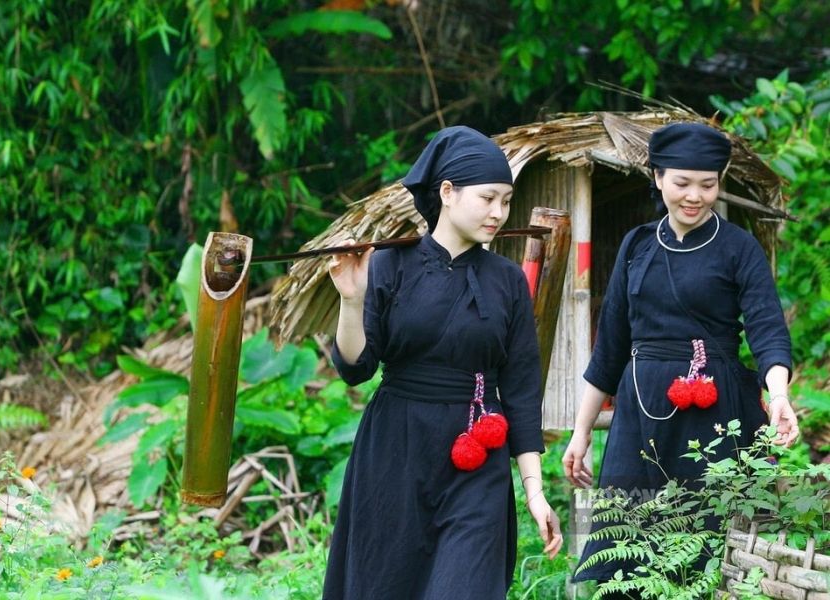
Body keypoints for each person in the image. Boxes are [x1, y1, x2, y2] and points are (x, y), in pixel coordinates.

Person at [323, 125, 563, 600]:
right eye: (488, 198)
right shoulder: (391, 265)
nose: (499, 212)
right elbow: (356, 368)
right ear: (448, 193)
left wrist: (534, 490)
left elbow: (519, 389)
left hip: (477, 454)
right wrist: (352, 301)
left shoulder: (508, 280)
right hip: (396, 450)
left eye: (507, 201)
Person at [562, 121, 799, 592]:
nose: (695, 196)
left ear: (720, 181)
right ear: (657, 178)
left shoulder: (738, 247)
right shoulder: (637, 244)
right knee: (628, 542)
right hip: (641, 413)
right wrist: (581, 432)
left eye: (708, 185)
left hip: (714, 412)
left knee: (710, 546)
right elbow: (609, 348)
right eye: (682, 183)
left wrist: (777, 396)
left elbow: (768, 331)